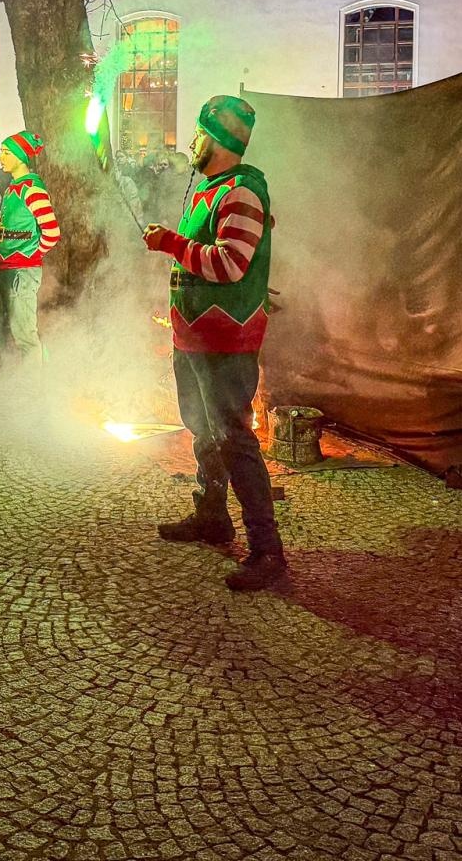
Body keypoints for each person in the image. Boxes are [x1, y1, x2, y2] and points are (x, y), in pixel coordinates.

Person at [142, 96, 283, 592]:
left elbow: (230, 264)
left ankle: (267, 549)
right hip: (194, 337)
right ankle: (212, 516)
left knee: (233, 438)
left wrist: (172, 245)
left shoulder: (242, 192)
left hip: (226, 341)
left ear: (219, 141)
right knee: (202, 430)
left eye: (199, 134)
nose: (192, 142)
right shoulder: (209, 189)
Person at [0, 130, 59, 362]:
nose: (1, 158)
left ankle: (30, 386)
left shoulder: (32, 190)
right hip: (4, 270)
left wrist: (31, 257)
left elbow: (52, 233)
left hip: (22, 273)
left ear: (20, 157)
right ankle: (6, 377)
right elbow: (5, 232)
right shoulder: (11, 190)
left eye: (6, 153)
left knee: (24, 333)